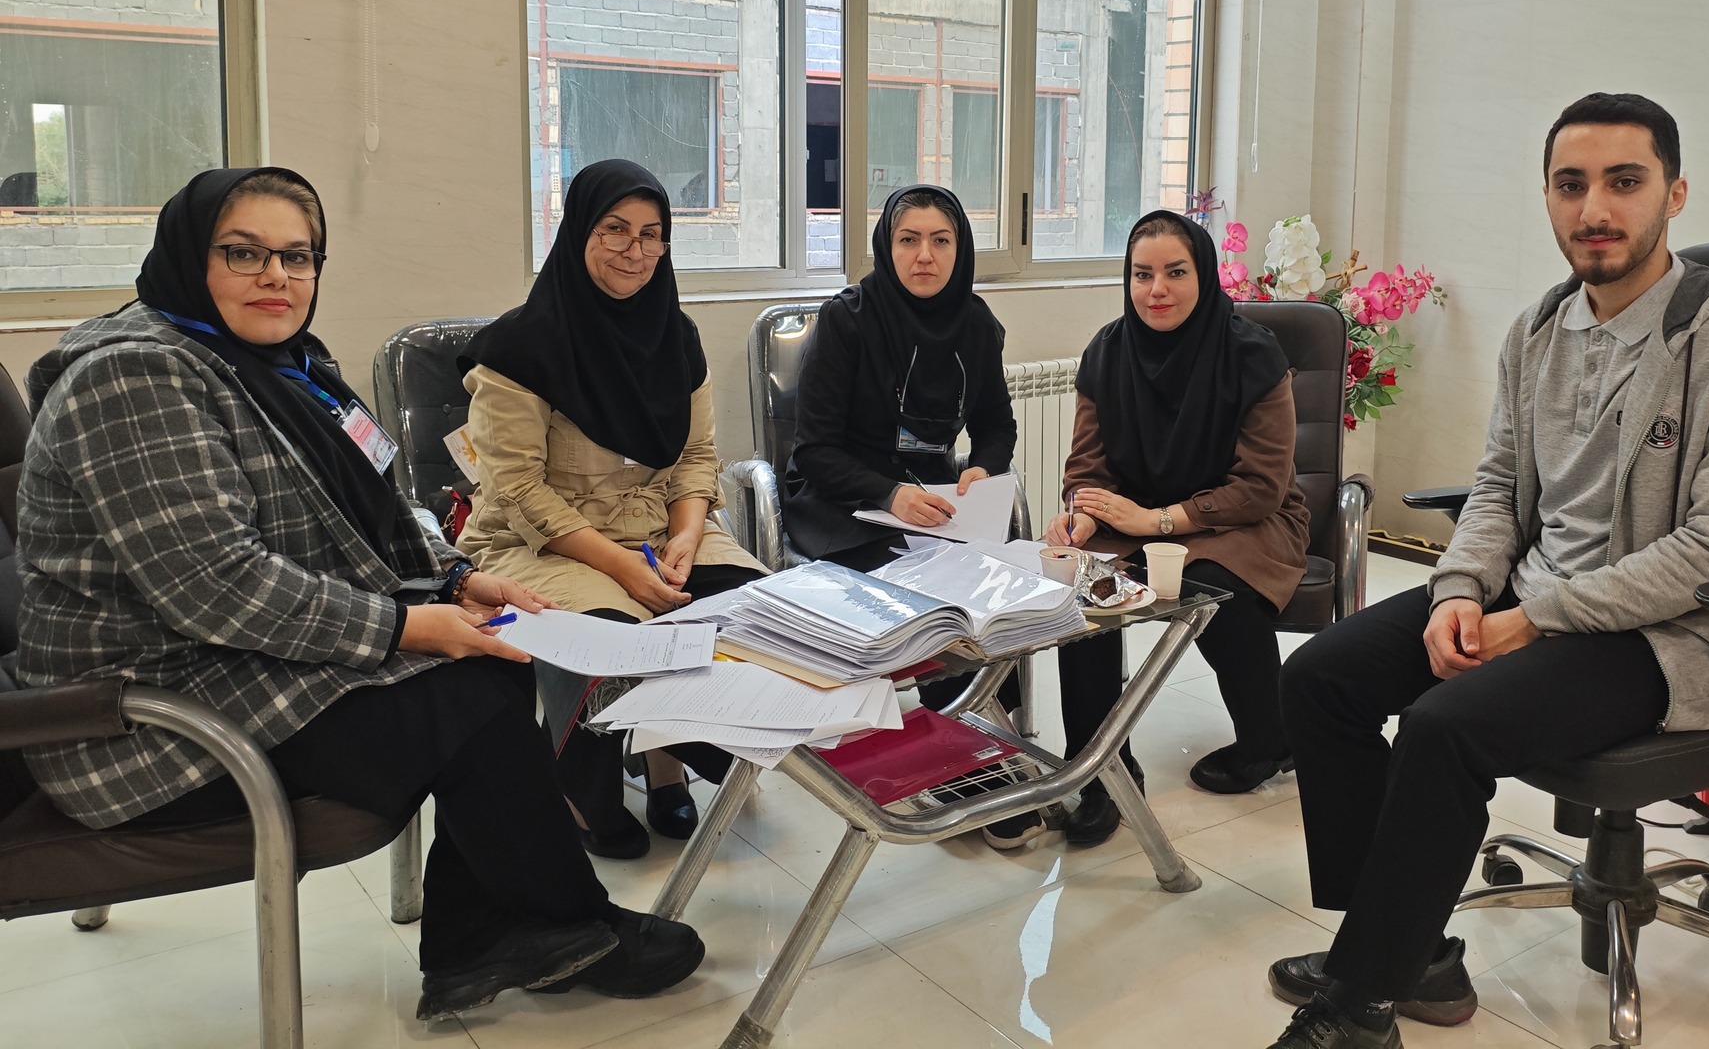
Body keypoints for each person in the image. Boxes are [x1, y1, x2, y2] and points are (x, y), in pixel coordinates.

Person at [13, 167, 704, 1022]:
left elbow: (382, 505)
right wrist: (409, 625)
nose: (277, 276)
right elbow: (216, 586)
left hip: (232, 657)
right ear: (191, 257)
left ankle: (508, 929)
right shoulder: (135, 379)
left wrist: (457, 577)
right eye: (244, 253)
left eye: (298, 256)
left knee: (491, 665)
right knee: (468, 693)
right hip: (150, 701)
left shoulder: (289, 364)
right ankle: (547, 925)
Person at [1264, 94, 1709, 1049]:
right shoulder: (1539, 330)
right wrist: (1460, 591)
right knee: (1320, 679)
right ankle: (1399, 950)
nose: (1594, 208)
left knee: (1443, 729)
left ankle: (1359, 1002)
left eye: (1625, 181)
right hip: (1537, 595)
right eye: (1570, 184)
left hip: (1670, 632)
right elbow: (1496, 490)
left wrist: (1535, 619)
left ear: (1675, 193)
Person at [458, 159, 766, 858]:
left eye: (651, 234)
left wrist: (686, 536)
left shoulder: (677, 336)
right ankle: (580, 790)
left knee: (749, 605)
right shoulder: (518, 348)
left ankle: (667, 759)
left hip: (658, 523)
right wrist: (624, 569)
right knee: (610, 635)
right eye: (615, 230)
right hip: (537, 540)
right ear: (578, 234)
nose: (635, 249)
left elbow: (697, 457)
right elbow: (518, 490)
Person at [1044, 210, 1312, 848]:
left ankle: (1268, 739)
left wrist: (1160, 521)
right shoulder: (1107, 351)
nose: (1156, 289)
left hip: (1241, 517)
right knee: (1082, 585)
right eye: (1142, 275)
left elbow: (1261, 487)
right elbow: (1087, 467)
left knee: (1215, 582)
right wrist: (1083, 514)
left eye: (1175, 272)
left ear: (1204, 275)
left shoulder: (1252, 354)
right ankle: (1102, 767)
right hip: (1133, 515)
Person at [782, 184, 1034, 844]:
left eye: (940, 240)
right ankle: (953, 759)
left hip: (933, 495)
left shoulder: (975, 323)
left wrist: (982, 467)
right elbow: (813, 451)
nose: (925, 255)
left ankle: (993, 730)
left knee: (997, 583)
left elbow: (997, 425)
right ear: (886, 248)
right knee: (921, 599)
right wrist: (888, 495)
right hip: (843, 497)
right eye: (908, 240)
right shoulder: (847, 320)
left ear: (960, 249)